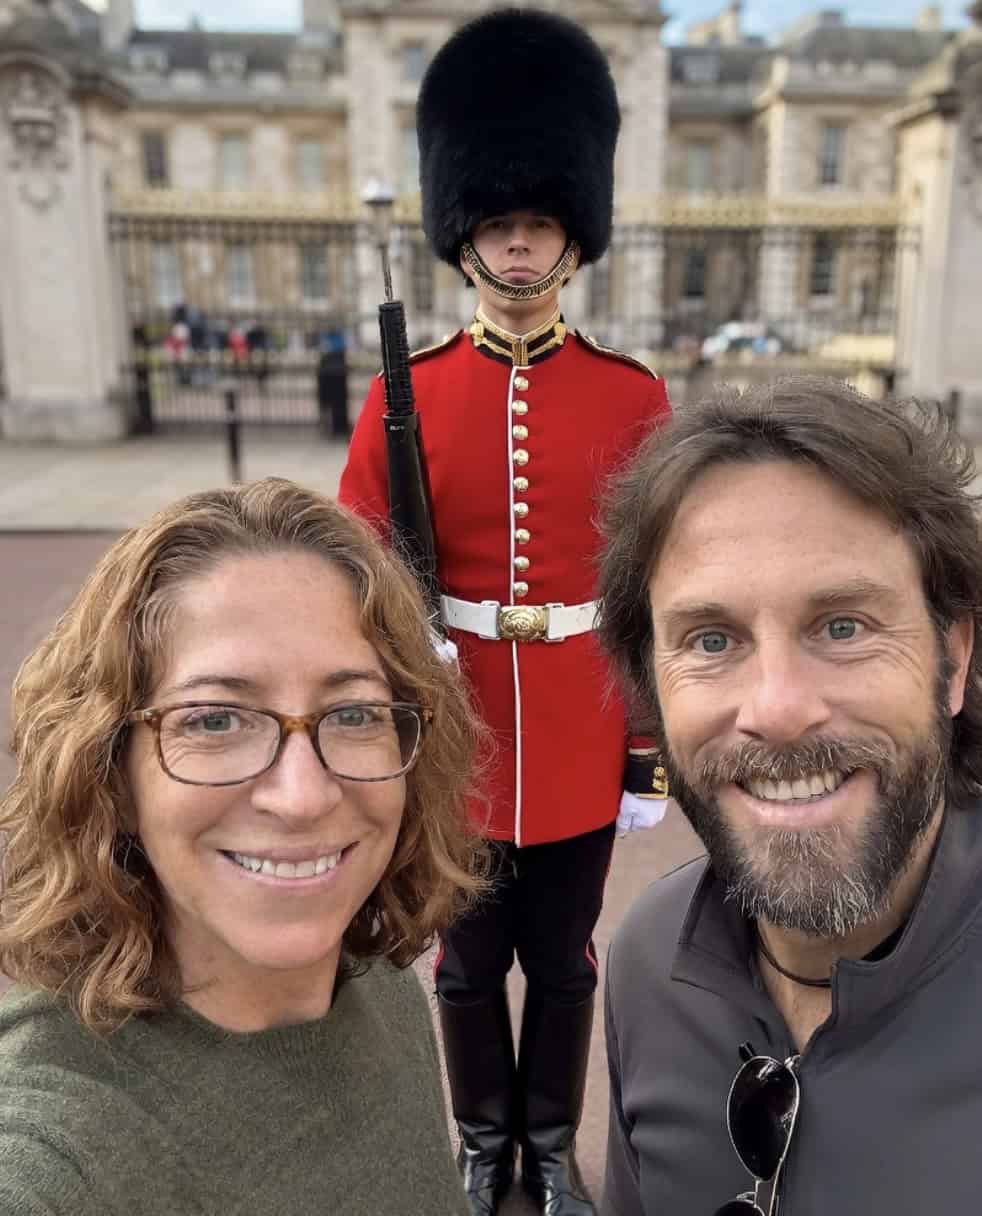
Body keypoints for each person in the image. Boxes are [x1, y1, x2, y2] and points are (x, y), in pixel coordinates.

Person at [339, 10, 671, 1214]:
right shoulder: (409, 395)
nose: (518, 242)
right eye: (496, 223)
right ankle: (485, 1146)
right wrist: (396, 646)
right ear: (464, 235)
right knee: (467, 964)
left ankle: (551, 1147)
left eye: (538, 221)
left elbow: (652, 587)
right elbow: (352, 565)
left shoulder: (632, 397)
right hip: (457, 732)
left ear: (572, 235)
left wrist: (646, 744)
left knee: (566, 965)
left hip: (582, 727)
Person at [0, 477, 485, 1216]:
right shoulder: (62, 1145)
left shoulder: (375, 982)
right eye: (215, 720)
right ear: (111, 775)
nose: (302, 797)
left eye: (354, 712)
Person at [595, 377, 982, 1215]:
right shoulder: (646, 960)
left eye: (843, 626)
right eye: (711, 640)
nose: (776, 709)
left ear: (954, 658)